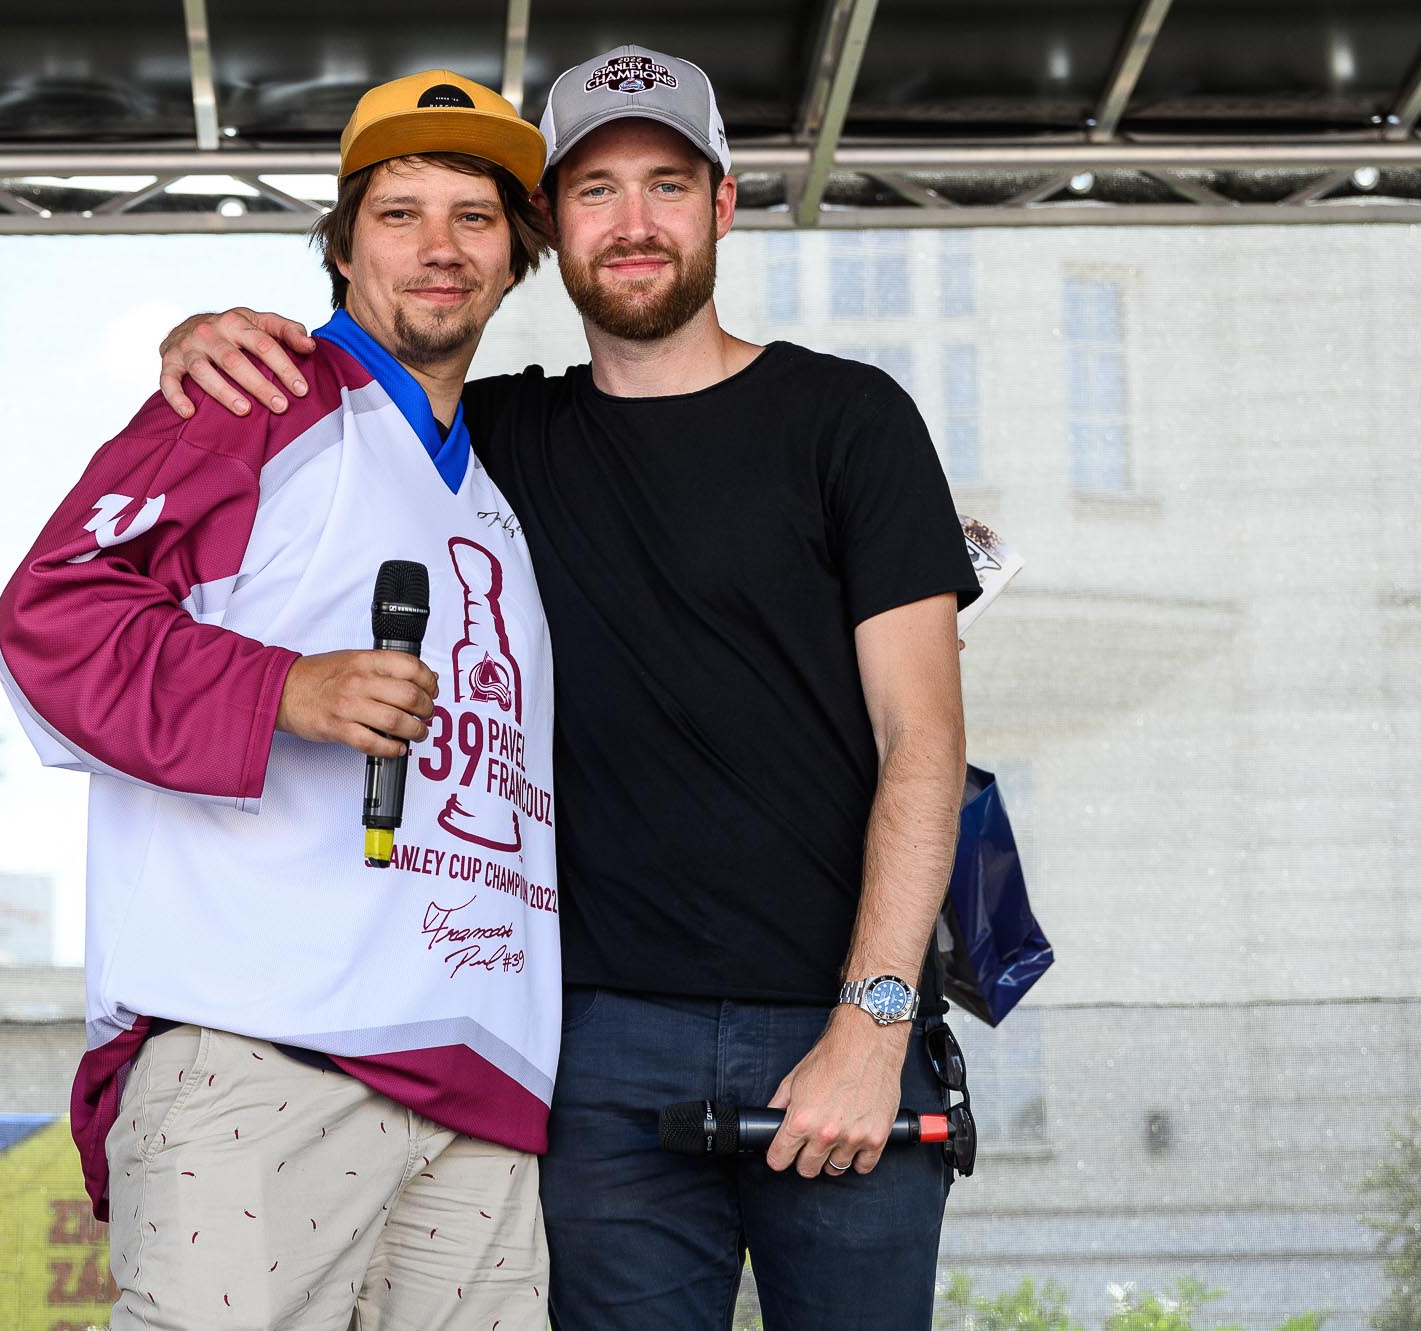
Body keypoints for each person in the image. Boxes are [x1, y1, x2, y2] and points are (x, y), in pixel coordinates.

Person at [156, 45, 978, 1331]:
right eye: (595, 189)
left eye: (666, 184)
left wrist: (874, 1020)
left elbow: (921, 736)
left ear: (722, 202)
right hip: (592, 1050)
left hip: (836, 1015)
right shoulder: (489, 439)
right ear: (548, 225)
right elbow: (358, 376)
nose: (632, 222)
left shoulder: (848, 420)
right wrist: (204, 336)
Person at [0, 69, 563, 1331]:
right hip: (267, 1053)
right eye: (399, 212)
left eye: (473, 217)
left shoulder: (498, 486)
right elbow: (53, 617)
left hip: (479, 1093)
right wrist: (285, 688)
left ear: (513, 256)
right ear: (343, 246)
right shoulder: (261, 396)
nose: (439, 246)